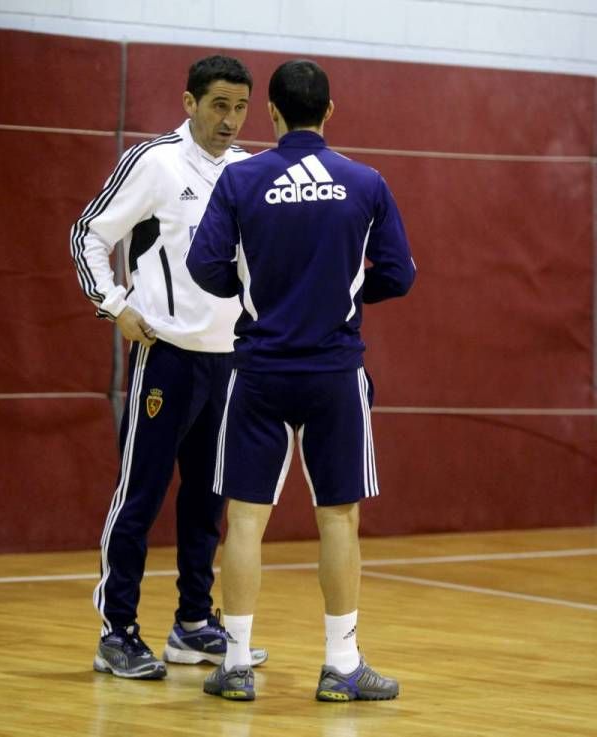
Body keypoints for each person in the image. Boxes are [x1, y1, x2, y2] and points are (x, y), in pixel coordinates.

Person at [186, 59, 416, 701]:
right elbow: (400, 273)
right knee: (338, 518)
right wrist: (337, 292)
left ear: (272, 113)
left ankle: (234, 665)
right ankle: (341, 666)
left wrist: (256, 290)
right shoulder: (366, 182)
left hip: (257, 370)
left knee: (245, 520)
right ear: (330, 112)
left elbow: (206, 267)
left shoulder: (242, 179)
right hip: (334, 374)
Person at [70, 55, 268, 680]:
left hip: (228, 361)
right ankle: (116, 631)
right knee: (142, 494)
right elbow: (88, 236)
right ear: (189, 103)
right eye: (218, 106)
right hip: (165, 357)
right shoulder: (155, 162)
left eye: (240, 107)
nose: (230, 120)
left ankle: (191, 623)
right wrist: (113, 305)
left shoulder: (247, 172)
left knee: (207, 501)